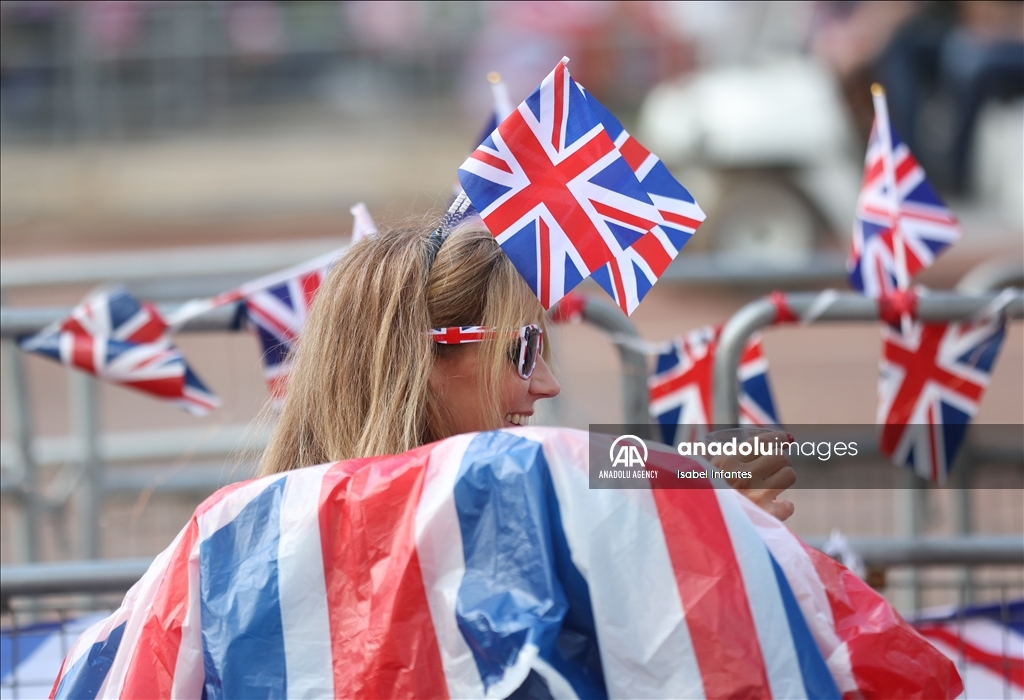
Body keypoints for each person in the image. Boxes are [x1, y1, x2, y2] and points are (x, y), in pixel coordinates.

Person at [257, 219, 796, 519]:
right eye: (523, 348)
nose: (548, 384)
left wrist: (711, 538)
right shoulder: (484, 535)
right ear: (415, 358)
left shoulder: (247, 533)